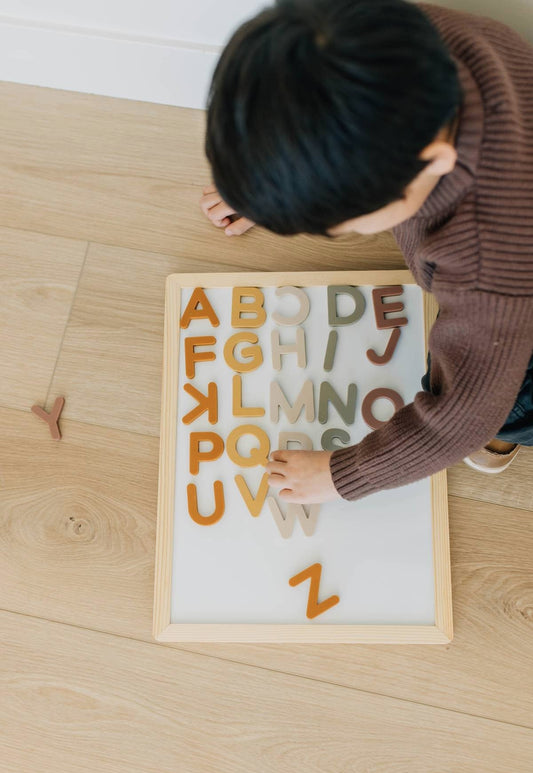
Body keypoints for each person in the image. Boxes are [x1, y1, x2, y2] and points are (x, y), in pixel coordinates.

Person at [200, 0, 533, 504]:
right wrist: (274, 182)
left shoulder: (489, 266)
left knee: (507, 396)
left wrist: (343, 473)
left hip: (517, 324)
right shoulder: (376, 35)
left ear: (432, 165)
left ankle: (513, 430)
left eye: (338, 224)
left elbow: (461, 415)